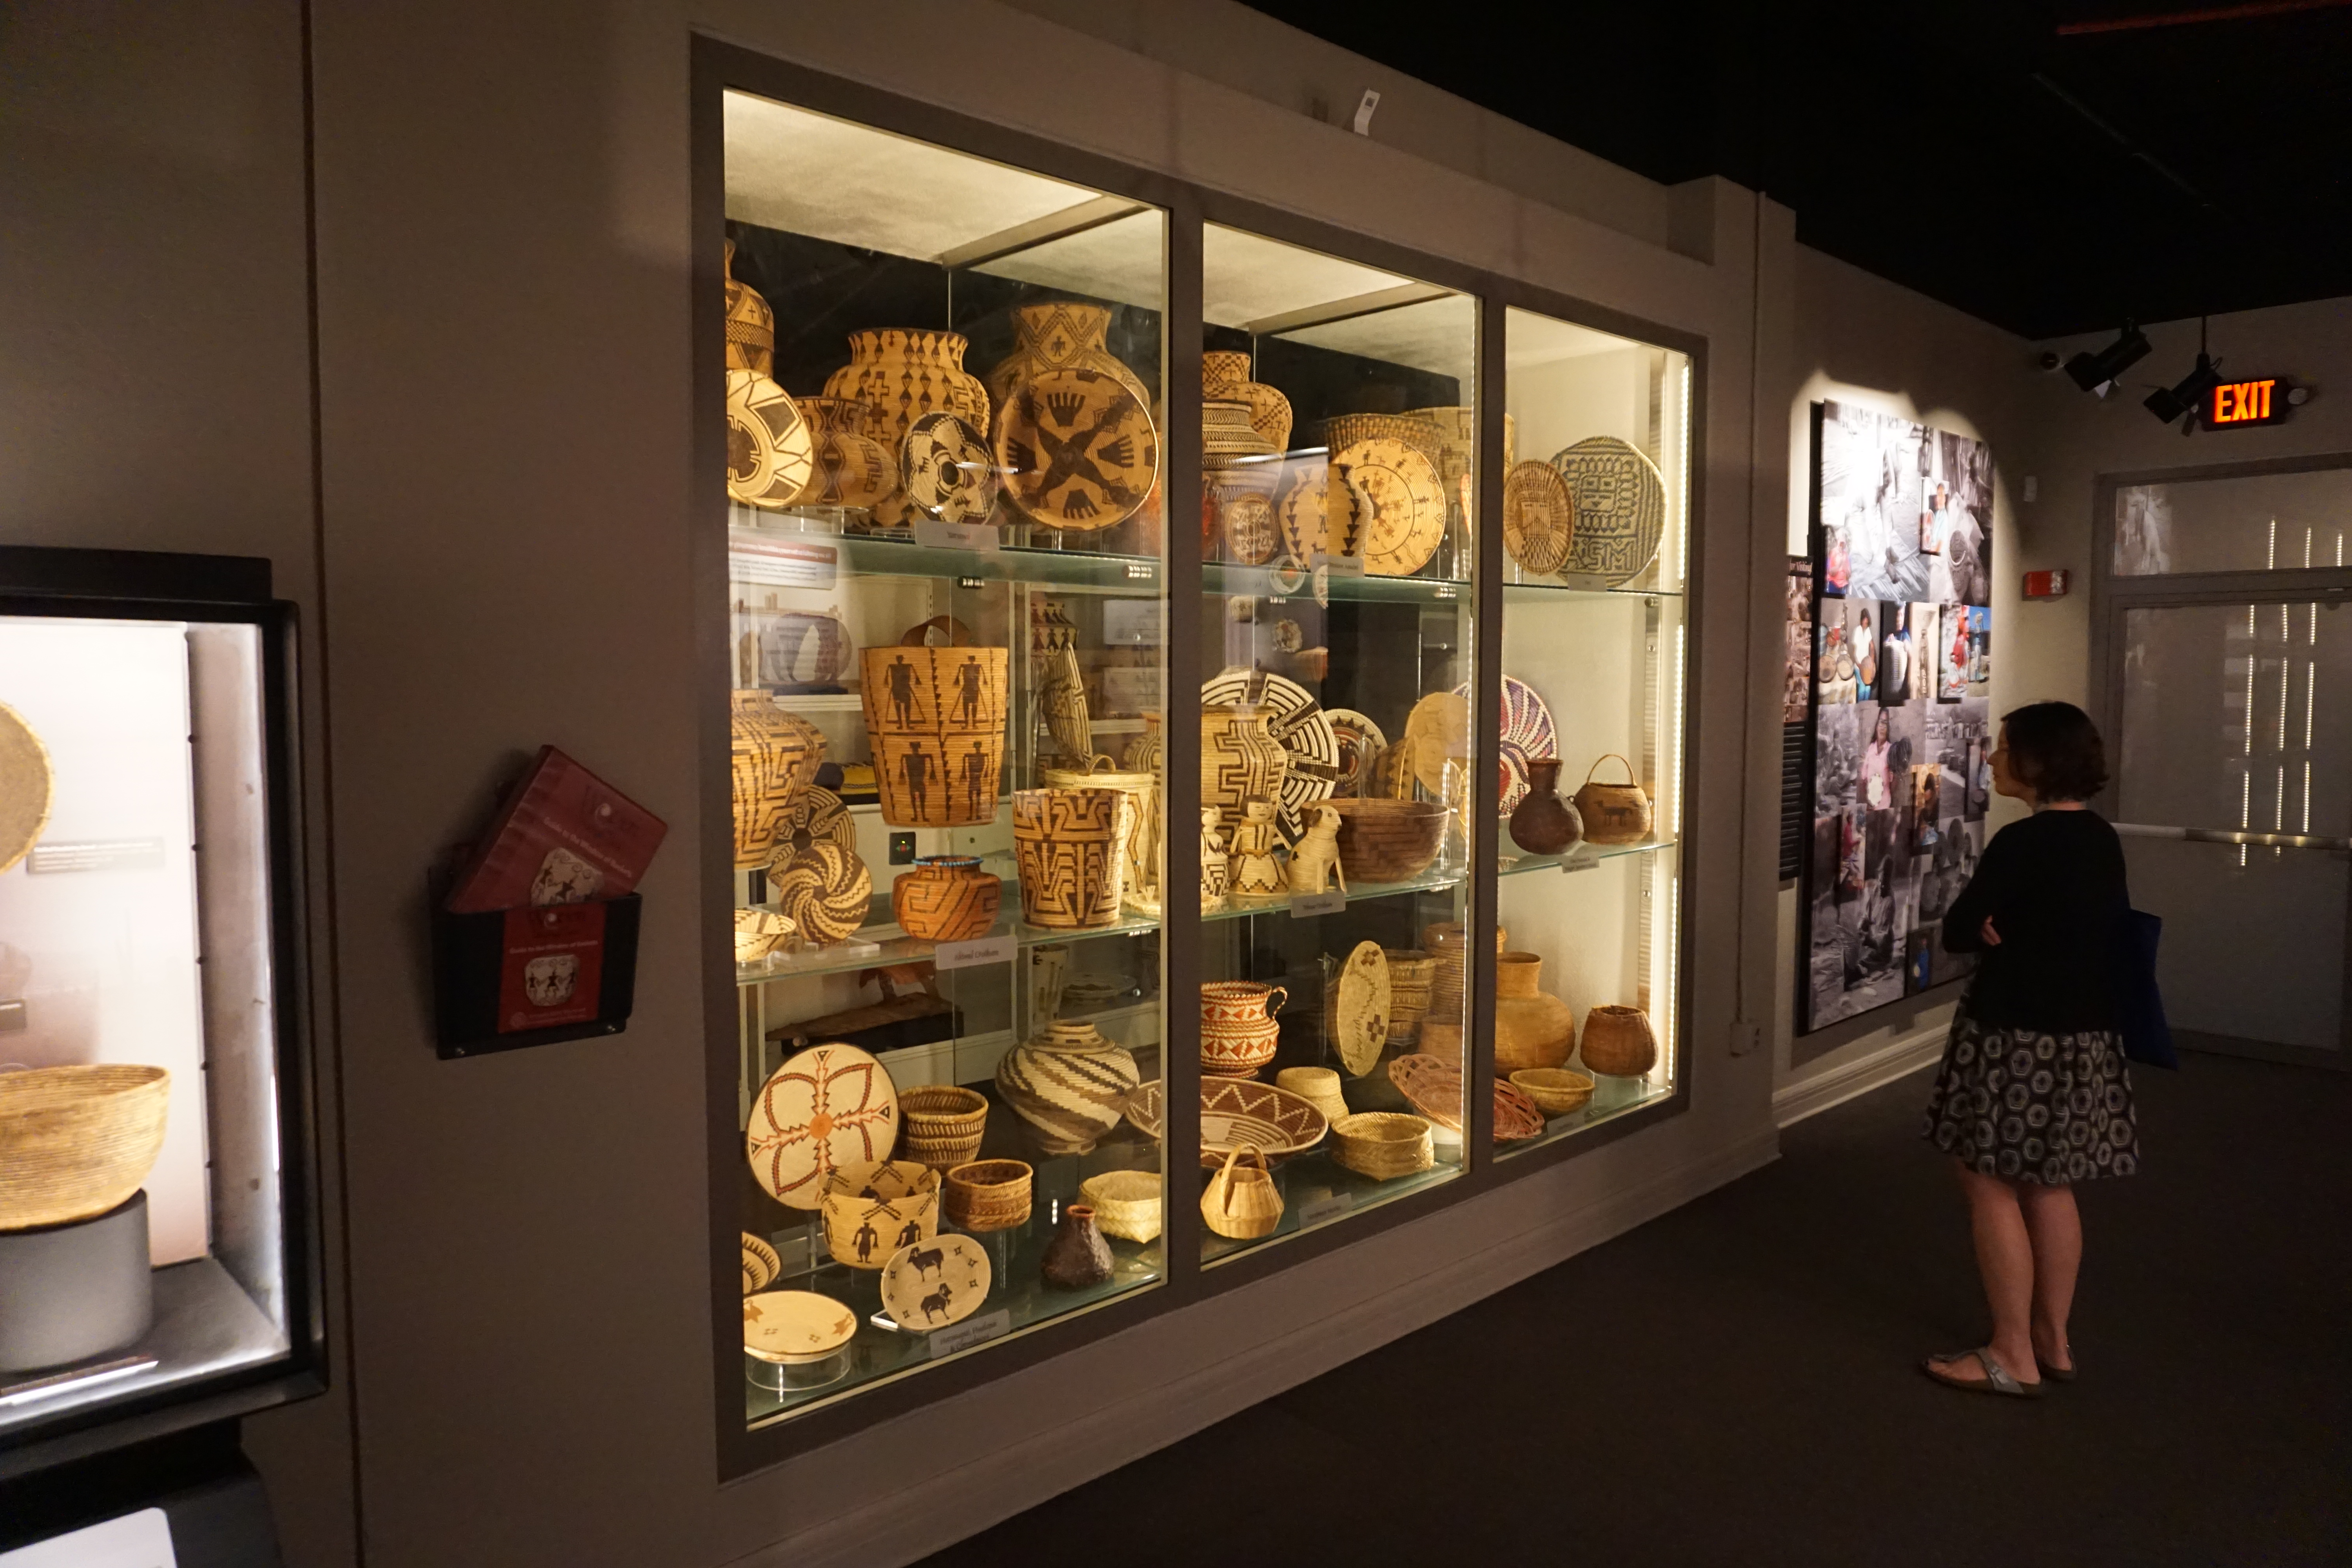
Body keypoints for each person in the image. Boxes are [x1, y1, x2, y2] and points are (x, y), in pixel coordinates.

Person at [1920, 701, 2134, 1397]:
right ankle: (2053, 1339)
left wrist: (1986, 925)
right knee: (2050, 1180)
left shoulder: (2023, 843)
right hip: (2084, 1036)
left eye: (2005, 747)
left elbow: (1957, 928)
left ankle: (2011, 1352)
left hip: (2015, 1036)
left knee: (1988, 1180)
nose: (1991, 758)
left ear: (2040, 760)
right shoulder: (2102, 838)